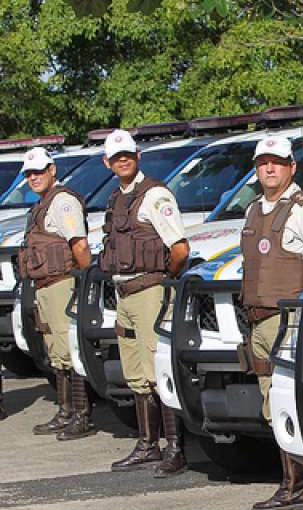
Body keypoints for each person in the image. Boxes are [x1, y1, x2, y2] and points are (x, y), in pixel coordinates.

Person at [239, 135, 303, 510]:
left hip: (290, 323)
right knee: (272, 407)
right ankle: (293, 484)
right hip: (258, 320)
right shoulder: (253, 210)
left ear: (292, 167)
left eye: (277, 162)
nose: (269, 168)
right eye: (263, 162)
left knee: (295, 405)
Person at [101, 129, 191, 477]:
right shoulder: (117, 198)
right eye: (116, 155)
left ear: (137, 156)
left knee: (157, 372)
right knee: (136, 374)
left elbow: (180, 250)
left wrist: (159, 279)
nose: (122, 159)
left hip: (150, 291)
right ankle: (147, 444)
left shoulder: (154, 195)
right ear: (107, 162)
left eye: (128, 154)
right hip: (124, 294)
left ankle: (175, 448)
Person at [17, 148, 94, 439]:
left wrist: (85, 280)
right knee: (56, 351)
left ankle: (81, 414)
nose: (34, 177)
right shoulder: (41, 204)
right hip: (45, 285)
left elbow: (80, 246)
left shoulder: (62, 202)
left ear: (52, 169)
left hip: (63, 282)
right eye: (29, 173)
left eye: (38, 171)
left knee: (68, 349)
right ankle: (65, 411)